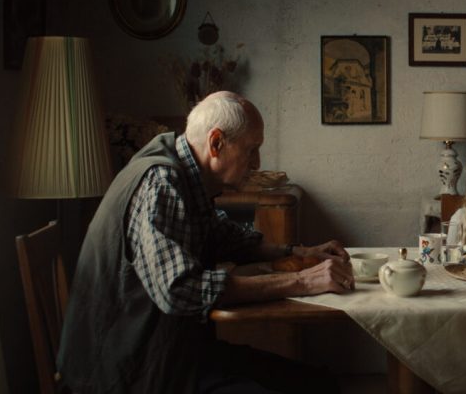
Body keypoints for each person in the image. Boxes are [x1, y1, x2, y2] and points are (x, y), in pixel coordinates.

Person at [58, 92, 352, 393]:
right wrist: (301, 281)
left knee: (319, 383)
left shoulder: (186, 173)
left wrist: (299, 252)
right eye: (252, 150)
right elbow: (181, 289)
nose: (257, 162)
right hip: (131, 372)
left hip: (174, 355)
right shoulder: (162, 183)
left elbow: (223, 238)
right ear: (216, 143)